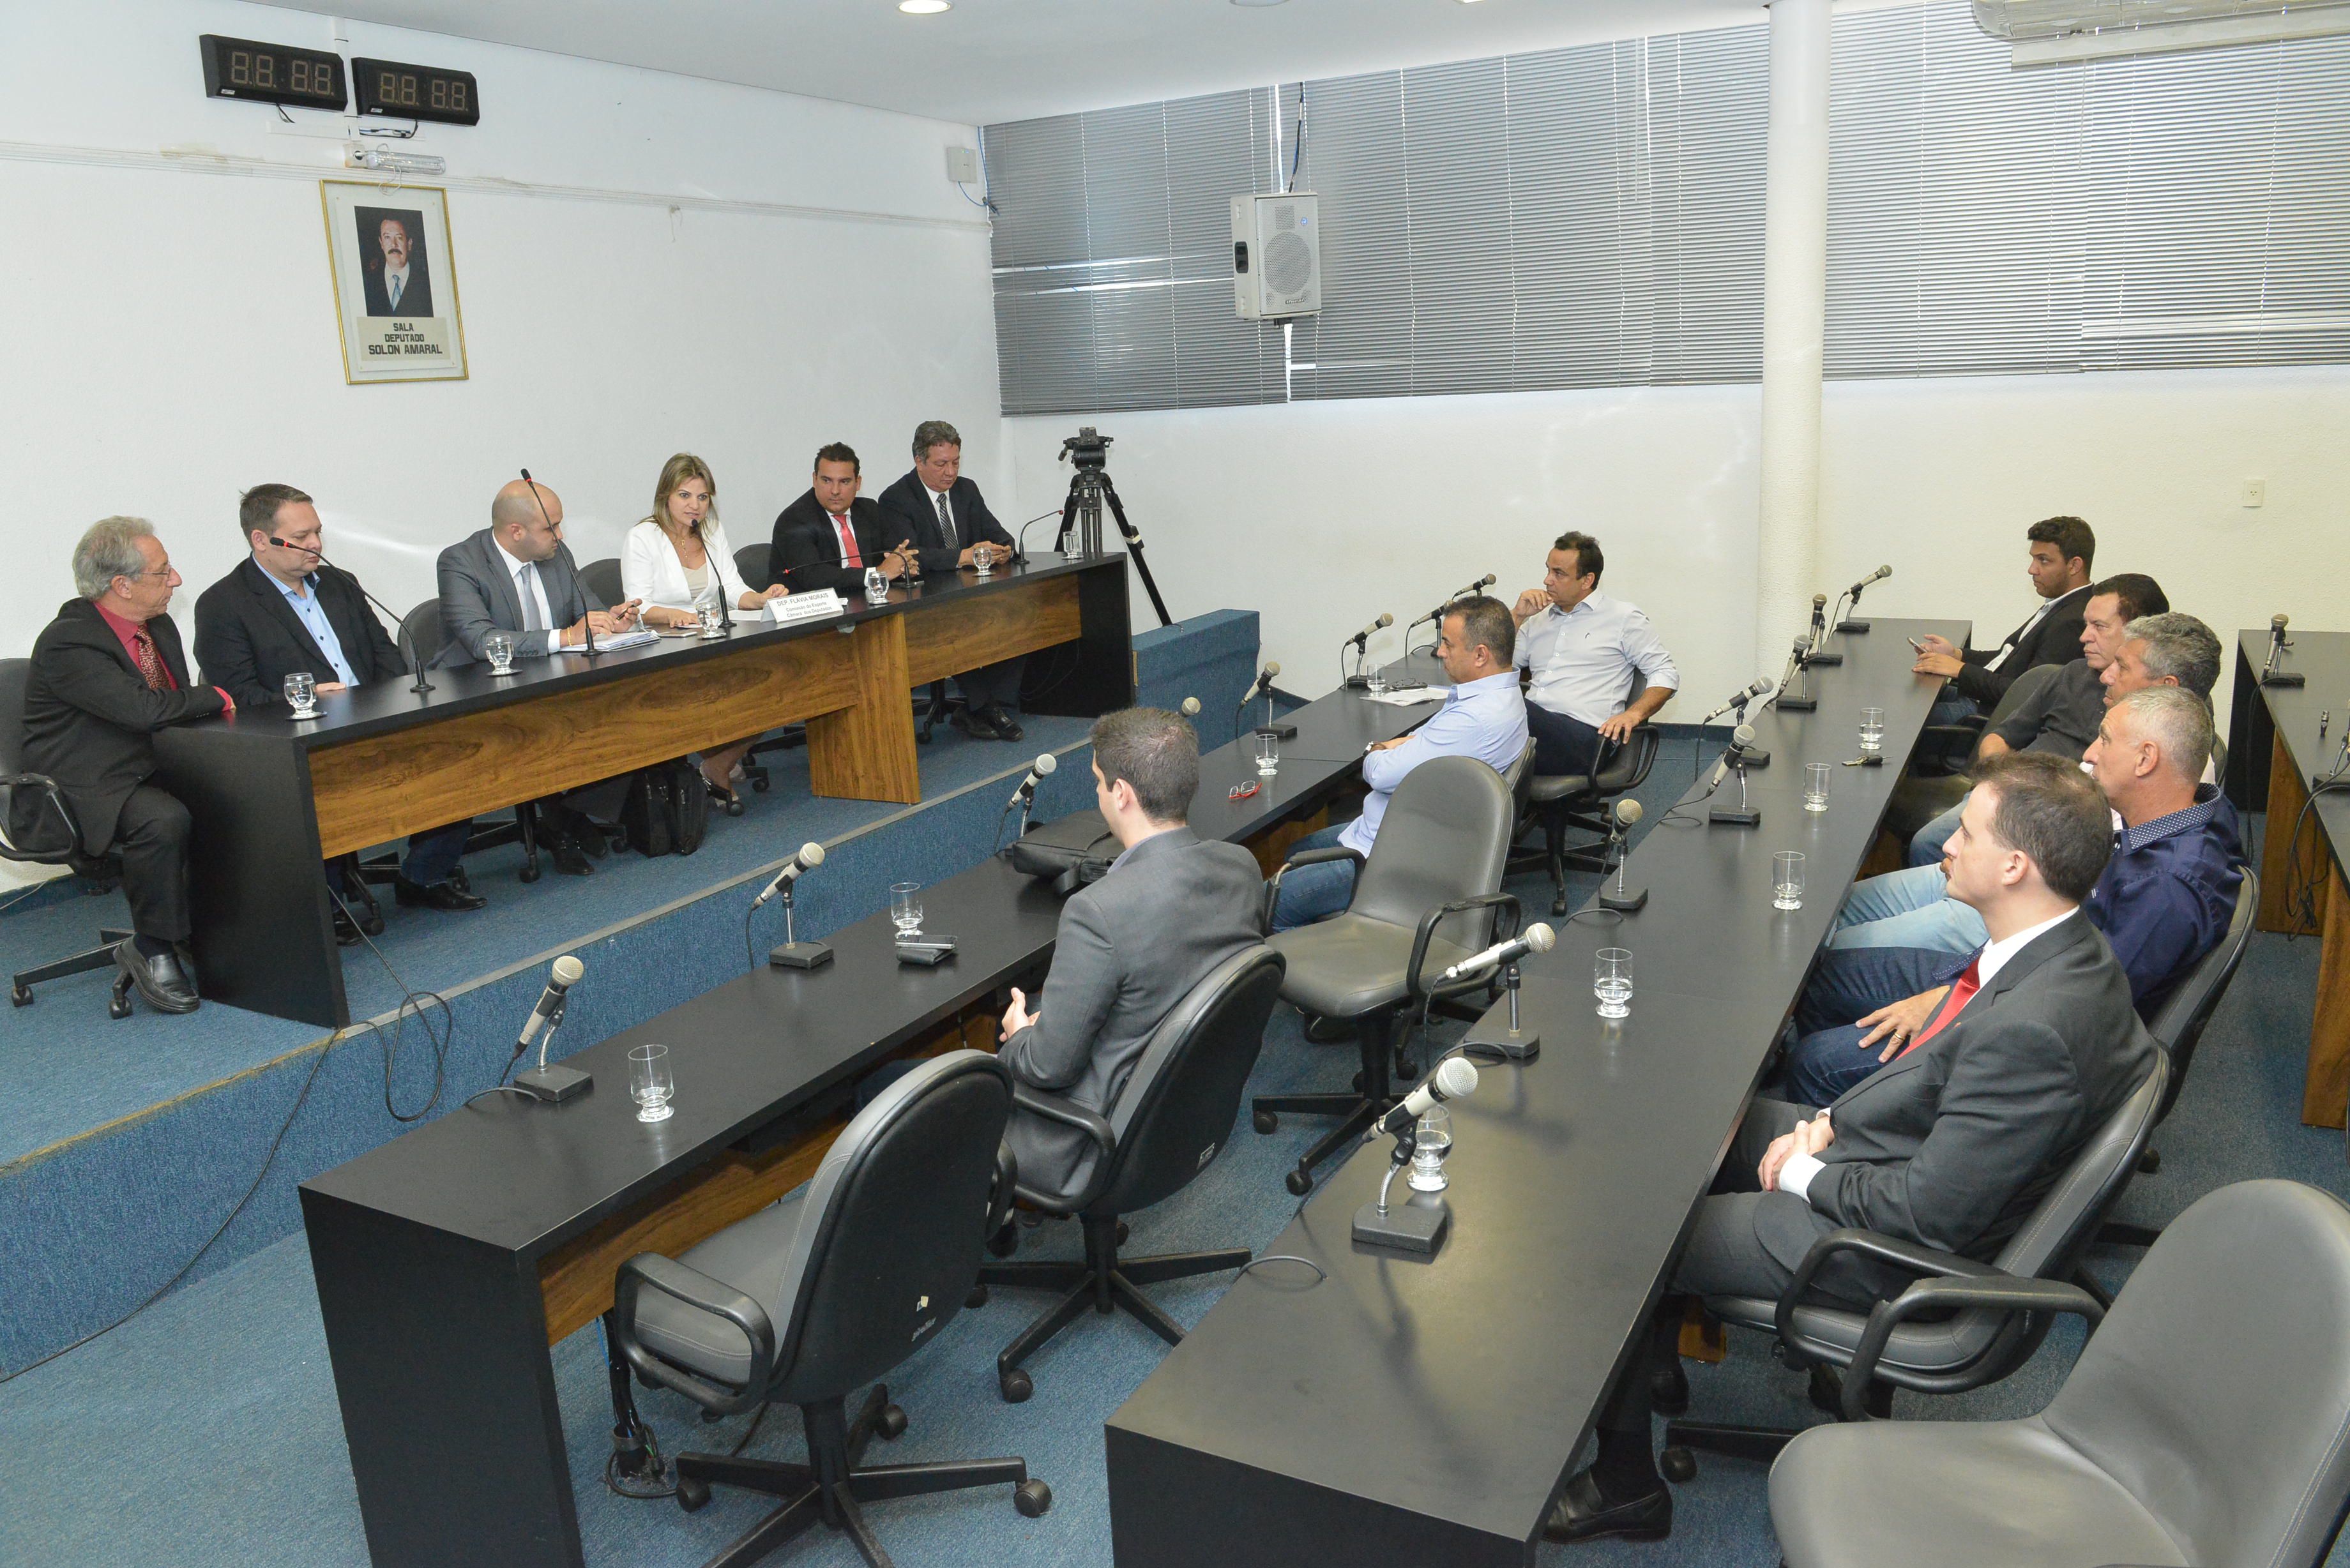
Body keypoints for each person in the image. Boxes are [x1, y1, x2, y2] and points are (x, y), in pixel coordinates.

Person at [1547, 753, 2158, 1546]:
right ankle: (1655, 1340)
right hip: (1891, 1160)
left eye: (1965, 833)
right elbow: (1940, 1079)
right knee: (1697, 1122)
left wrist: (1803, 1170)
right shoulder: (2055, 950)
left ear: (2014, 865)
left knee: (1641, 1229)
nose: (1945, 843)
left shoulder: (2036, 1026)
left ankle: (1626, 1481)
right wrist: (1832, 1120)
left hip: (1894, 1249)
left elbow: (1929, 1214)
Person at [1784, 688, 2241, 1103]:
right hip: (1996, 974)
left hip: (2011, 1033)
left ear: (2146, 759)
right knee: (1824, 978)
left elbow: (2076, 1010)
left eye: (2104, 739)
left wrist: (1947, 1003)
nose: (2090, 753)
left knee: (1816, 1062)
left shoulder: (2167, 889)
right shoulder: (2177, 824)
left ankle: (1836, 1146)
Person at [994, 707, 1266, 1196]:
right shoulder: (1241, 867)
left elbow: (1047, 1069)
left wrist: (1017, 1038)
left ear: (1121, 794)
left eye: (1099, 782)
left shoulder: (1097, 911)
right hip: (1183, 1109)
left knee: (905, 1089)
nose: (1098, 795)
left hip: (1097, 1137)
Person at [192, 484, 480, 937]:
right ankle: (324, 904)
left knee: (454, 754)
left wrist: (395, 698)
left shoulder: (339, 582)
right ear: (260, 541)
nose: (316, 546)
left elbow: (384, 653)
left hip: (374, 714)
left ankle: (425, 875)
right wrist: (303, 701)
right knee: (318, 795)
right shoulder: (224, 605)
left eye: (318, 533)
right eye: (302, 537)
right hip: (301, 736)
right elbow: (237, 696)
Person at [1848, 603, 2216, 957]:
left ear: (2166, 686)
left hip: (2006, 900)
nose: (2106, 675)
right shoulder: (2130, 736)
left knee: (1836, 951)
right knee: (1841, 909)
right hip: (1992, 869)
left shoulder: (2169, 772)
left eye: (2122, 667)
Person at [17, 520, 235, 1014]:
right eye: (163, 572)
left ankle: (229, 935)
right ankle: (153, 946)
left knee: (245, 790)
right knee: (163, 819)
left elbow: (166, 708)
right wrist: (216, 696)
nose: (176, 580)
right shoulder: (70, 641)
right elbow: (147, 708)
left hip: (144, 762)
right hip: (83, 782)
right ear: (122, 585)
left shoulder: (155, 625)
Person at [1270, 595, 1529, 934]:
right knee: (1296, 850)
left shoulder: (1476, 718)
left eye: (1448, 645)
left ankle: (1320, 972)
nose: (1440, 652)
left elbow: (1379, 774)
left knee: (1271, 903)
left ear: (1480, 655)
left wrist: (1377, 749)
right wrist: (1406, 745)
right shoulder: (1499, 697)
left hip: (1393, 855)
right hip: (1412, 829)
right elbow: (1423, 742)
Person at [437, 476, 644, 873]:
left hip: (552, 678)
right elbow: (482, 641)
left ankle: (569, 810)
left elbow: (588, 609)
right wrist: (565, 636)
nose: (560, 535)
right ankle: (561, 820)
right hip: (480, 688)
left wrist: (610, 621)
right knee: (538, 732)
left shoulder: (556, 553)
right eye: (551, 527)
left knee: (625, 707)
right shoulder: (460, 561)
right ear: (516, 531)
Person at [1905, 571, 2167, 866]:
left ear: (2138, 633)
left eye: (2099, 627)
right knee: (1930, 844)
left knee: (1935, 847)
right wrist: (2004, 779)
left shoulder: (2154, 709)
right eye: (2086, 625)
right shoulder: (2071, 673)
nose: (2084, 636)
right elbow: (1999, 738)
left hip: (2058, 819)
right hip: (2011, 791)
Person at [621, 454, 789, 812]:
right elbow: (640, 607)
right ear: (665, 495)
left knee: (772, 686)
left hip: (714, 638)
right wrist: (677, 616)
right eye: (685, 496)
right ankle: (717, 762)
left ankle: (718, 761)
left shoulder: (711, 531)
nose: (694, 506)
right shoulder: (643, 537)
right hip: (665, 647)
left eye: (702, 497)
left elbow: (732, 587)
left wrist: (760, 597)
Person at [876, 419, 1025, 741]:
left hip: (969, 589)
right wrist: (966, 556)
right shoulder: (896, 499)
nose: (950, 472)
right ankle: (984, 707)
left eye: (955, 462)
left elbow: (1000, 534)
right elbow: (911, 556)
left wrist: (1002, 550)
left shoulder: (967, 490)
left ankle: (979, 706)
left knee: (1022, 612)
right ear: (919, 461)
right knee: (960, 623)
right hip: (923, 595)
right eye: (941, 464)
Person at [1510, 531, 1678, 778]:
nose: (1547, 580)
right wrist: (1517, 616)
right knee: (1495, 702)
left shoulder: (1623, 618)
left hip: (1586, 739)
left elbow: (1666, 674)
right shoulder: (1537, 620)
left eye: (1559, 573)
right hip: (1534, 731)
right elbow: (1497, 670)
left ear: (1587, 580)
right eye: (1548, 570)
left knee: (1506, 704)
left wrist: (1634, 714)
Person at [1910, 515, 2096, 722]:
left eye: (2043, 560)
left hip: (1987, 718)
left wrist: (1960, 670)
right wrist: (1957, 654)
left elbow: (2026, 694)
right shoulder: (2060, 605)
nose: (2032, 569)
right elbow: (2007, 658)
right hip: (1980, 701)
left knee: (1904, 715)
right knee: (1911, 696)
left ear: (2074, 566)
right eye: (2033, 559)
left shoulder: (2072, 620)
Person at [769, 442, 915, 597]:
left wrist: (904, 566)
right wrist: (878, 573)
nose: (835, 491)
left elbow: (893, 554)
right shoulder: (794, 520)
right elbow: (814, 577)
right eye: (826, 481)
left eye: (844, 482)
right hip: (812, 614)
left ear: (858, 483)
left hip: (865, 604)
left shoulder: (869, 510)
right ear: (814, 479)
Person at [361, 213, 434, 319]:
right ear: (381, 243)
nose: (393, 245)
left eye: (399, 238)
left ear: (409, 244)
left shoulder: (427, 284)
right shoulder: (368, 284)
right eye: (387, 238)